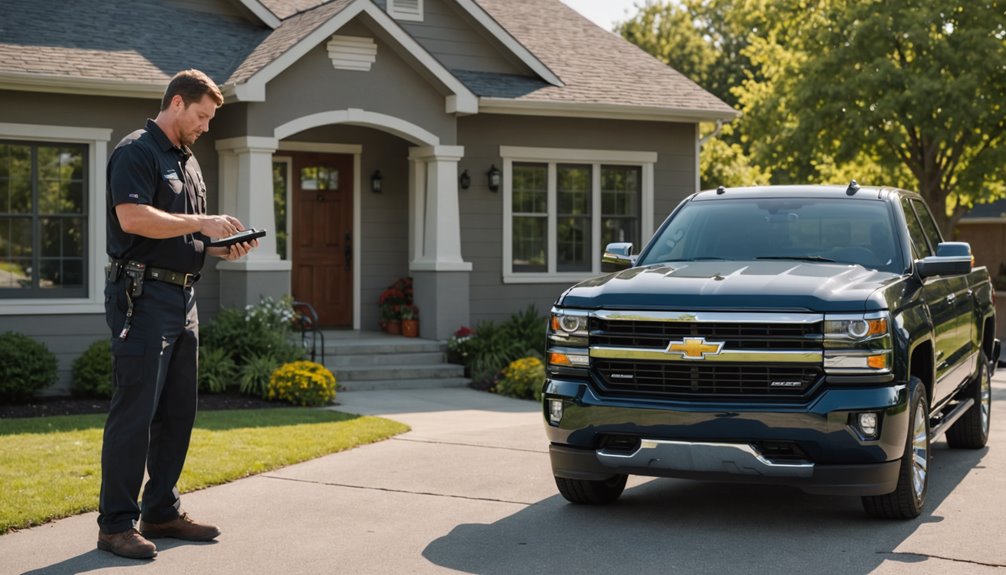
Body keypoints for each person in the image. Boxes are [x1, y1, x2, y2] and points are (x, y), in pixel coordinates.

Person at [97, 69, 257, 560]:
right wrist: (202, 223)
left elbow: (179, 234)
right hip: (142, 299)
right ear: (177, 103)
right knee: (136, 412)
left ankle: (160, 511)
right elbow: (133, 218)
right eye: (203, 117)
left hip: (183, 299)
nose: (206, 127)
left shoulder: (187, 162)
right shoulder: (136, 151)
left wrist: (216, 246)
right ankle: (115, 526)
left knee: (177, 411)